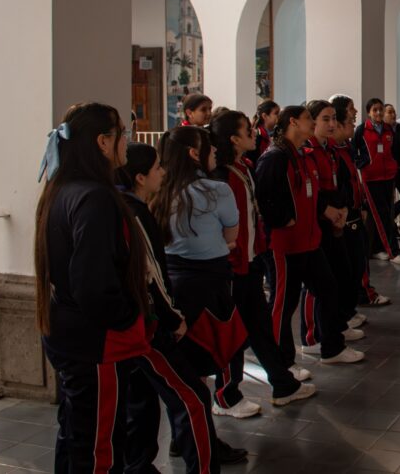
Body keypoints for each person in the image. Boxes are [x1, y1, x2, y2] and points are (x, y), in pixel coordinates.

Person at [33, 103, 230, 473]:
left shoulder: (63, 188)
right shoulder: (94, 197)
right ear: (104, 142)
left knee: (77, 434)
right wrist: (132, 318)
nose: (130, 139)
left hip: (71, 333)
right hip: (96, 343)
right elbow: (94, 285)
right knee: (99, 448)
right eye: (124, 132)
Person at [116, 142, 231, 473]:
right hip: (146, 325)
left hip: (136, 323)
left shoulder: (130, 207)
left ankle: (137, 465)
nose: (162, 173)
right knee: (192, 398)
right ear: (140, 177)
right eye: (156, 169)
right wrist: (170, 319)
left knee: (141, 401)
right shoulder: (134, 214)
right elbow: (150, 274)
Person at [208, 111, 317, 409]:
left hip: (252, 260)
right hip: (233, 266)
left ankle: (282, 384)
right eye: (247, 130)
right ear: (233, 138)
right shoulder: (220, 176)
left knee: (258, 328)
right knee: (235, 333)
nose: (254, 133)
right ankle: (226, 396)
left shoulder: (242, 166)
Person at [151, 126, 252, 419]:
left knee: (183, 361)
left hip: (171, 282)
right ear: (195, 154)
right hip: (209, 281)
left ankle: (185, 429)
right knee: (209, 354)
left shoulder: (159, 191)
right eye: (209, 146)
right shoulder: (215, 190)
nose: (216, 150)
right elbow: (232, 232)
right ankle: (201, 429)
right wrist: (221, 238)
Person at [254, 105, 364, 366]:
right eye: (310, 119)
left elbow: (311, 194)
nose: (316, 123)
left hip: (309, 241)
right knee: (283, 305)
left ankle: (332, 347)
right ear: (293, 122)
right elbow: (264, 198)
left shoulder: (301, 155)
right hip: (285, 244)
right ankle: (282, 367)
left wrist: (330, 212)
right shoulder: (276, 157)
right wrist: (284, 219)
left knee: (328, 288)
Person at [298, 101, 367, 353]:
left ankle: (335, 326)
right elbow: (311, 192)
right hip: (316, 226)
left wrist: (344, 210)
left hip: (335, 221)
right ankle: (314, 336)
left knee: (343, 276)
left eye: (334, 119)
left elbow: (338, 185)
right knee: (318, 285)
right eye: (325, 119)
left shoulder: (330, 150)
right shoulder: (306, 151)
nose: (331, 124)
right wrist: (328, 211)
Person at [330, 96, 391, 308]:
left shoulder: (344, 146)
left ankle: (354, 302)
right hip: (344, 214)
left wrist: (360, 204)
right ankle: (354, 303)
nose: (355, 112)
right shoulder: (331, 150)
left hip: (354, 209)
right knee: (351, 262)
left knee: (358, 259)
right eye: (350, 109)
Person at [353, 98, 400, 264]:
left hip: (388, 177)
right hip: (371, 178)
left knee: (385, 213)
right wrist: (364, 164)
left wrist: (393, 164)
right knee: (381, 214)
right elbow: (353, 151)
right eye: (375, 110)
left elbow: (395, 150)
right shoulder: (362, 130)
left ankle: (377, 248)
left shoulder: (388, 129)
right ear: (369, 112)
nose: (378, 113)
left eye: (380, 109)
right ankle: (393, 251)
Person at [385, 103, 400, 226]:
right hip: (388, 172)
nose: (393, 115)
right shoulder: (383, 131)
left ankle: (391, 214)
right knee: (388, 201)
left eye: (394, 112)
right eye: (389, 112)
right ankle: (391, 227)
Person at [247, 99, 279, 166]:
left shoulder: (275, 134)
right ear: (265, 116)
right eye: (276, 113)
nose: (279, 116)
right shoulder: (257, 136)